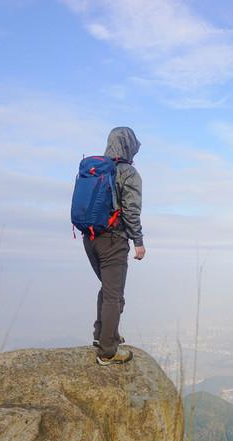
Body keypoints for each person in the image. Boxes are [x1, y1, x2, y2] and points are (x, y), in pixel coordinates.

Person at [83, 127, 146, 365]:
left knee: (109, 289)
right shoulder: (127, 172)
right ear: (128, 146)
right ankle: (108, 351)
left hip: (90, 239)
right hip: (113, 239)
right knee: (114, 294)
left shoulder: (94, 170)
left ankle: (103, 335)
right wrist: (138, 241)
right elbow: (131, 210)